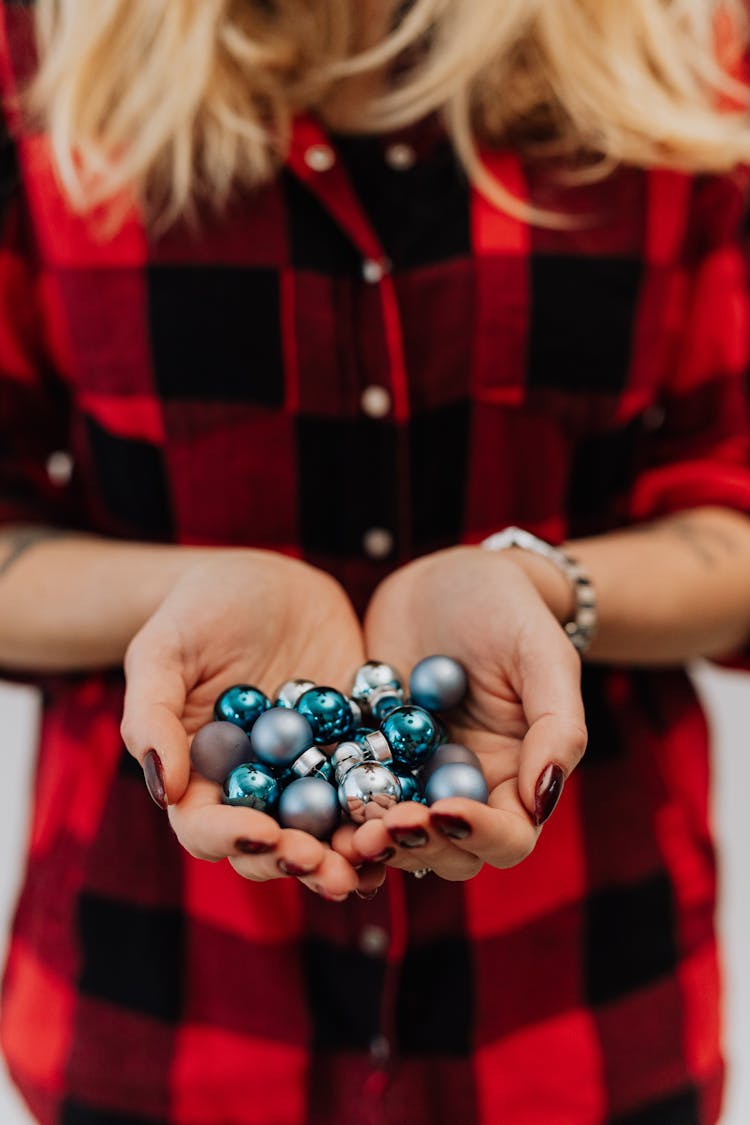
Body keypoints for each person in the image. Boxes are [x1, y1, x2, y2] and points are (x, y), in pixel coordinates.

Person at [2, 0, 750, 1121]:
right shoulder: (35, 55)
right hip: (162, 1017)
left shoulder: (688, 48)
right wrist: (179, 599)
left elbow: (730, 516)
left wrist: (540, 588)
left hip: (580, 1018)